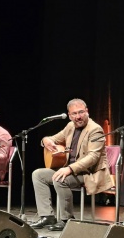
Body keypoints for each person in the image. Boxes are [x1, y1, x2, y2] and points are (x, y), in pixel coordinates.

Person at [29, 98, 113, 231]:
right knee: (38, 174)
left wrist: (69, 169)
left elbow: (93, 157)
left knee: (60, 179)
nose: (78, 117)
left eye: (81, 112)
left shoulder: (95, 130)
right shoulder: (70, 126)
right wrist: (45, 140)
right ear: (69, 115)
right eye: (74, 114)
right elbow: (54, 138)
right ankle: (47, 216)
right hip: (70, 170)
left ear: (87, 112)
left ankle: (66, 218)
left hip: (89, 173)